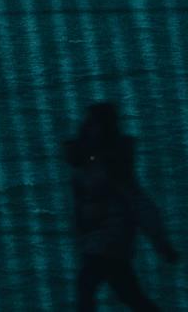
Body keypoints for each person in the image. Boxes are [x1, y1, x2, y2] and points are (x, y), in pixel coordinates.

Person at [66, 101, 178, 311]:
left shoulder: (113, 166)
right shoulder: (88, 161)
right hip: (100, 242)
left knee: (87, 287)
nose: (89, 127)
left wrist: (161, 242)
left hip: (109, 241)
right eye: (89, 123)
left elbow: (139, 203)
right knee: (128, 294)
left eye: (94, 123)